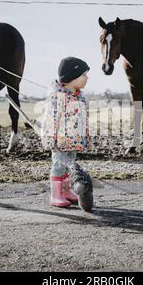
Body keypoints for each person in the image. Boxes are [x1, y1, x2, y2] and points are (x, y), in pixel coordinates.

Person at [40, 56, 90, 207]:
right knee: (58, 166)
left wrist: (85, 135)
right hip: (59, 141)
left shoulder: (80, 96)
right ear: (71, 77)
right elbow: (51, 119)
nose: (87, 78)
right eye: (83, 74)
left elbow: (84, 118)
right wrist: (50, 139)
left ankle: (66, 191)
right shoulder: (57, 97)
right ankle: (56, 195)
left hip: (73, 140)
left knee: (70, 166)